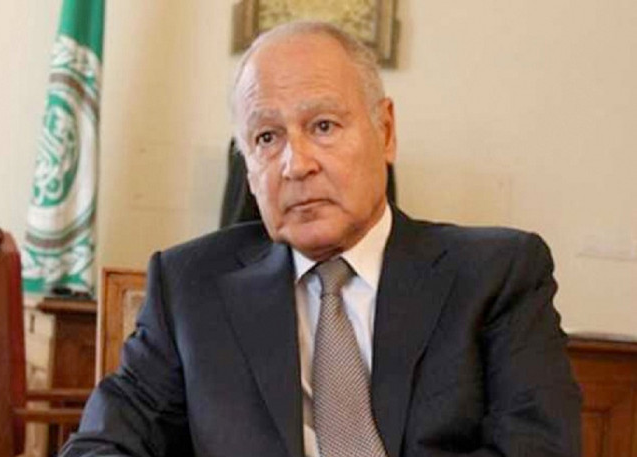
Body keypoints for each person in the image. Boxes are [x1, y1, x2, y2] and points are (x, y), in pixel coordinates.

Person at [61, 21, 581, 457]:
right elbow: (103, 446)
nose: (297, 164)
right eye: (267, 137)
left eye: (324, 126)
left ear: (386, 131)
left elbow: (537, 448)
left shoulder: (498, 274)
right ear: (247, 166)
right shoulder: (189, 286)